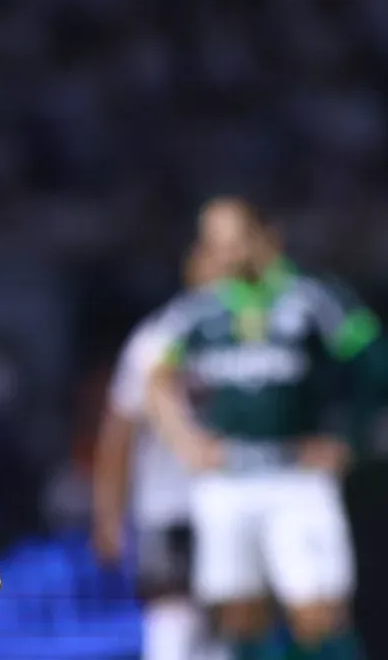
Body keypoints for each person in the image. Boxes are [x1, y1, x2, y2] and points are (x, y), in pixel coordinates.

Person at [146, 197, 379, 660]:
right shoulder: (199, 310)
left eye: (235, 240)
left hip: (297, 476)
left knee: (319, 615)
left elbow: (373, 363)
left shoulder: (312, 299)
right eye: (215, 243)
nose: (226, 253)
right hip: (228, 480)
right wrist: (186, 441)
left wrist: (348, 438)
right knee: (240, 616)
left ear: (265, 238)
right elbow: (155, 378)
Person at [93, 242, 229, 660]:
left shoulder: (258, 334)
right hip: (169, 504)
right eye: (213, 264)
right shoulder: (158, 337)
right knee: (171, 619)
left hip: (237, 498)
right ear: (192, 271)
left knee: (231, 621)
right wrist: (109, 514)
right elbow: (119, 431)